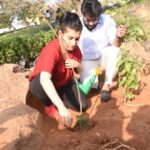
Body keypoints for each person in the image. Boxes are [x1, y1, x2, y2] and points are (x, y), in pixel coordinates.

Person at [29, 12, 87, 127]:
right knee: (39, 83)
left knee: (83, 105)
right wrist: (61, 107)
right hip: (41, 84)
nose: (73, 43)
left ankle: (58, 98)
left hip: (62, 85)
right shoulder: (52, 49)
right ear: (60, 34)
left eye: (77, 39)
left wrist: (78, 66)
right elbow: (45, 80)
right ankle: (50, 106)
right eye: (70, 38)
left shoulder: (77, 51)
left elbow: (77, 76)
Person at [78, 0, 127, 102]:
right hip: (87, 60)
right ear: (83, 15)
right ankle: (95, 84)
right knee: (90, 86)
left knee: (115, 51)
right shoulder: (76, 23)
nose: (91, 23)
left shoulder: (107, 21)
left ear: (99, 15)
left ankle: (106, 86)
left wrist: (118, 36)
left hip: (103, 57)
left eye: (94, 20)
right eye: (88, 20)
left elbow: (116, 45)